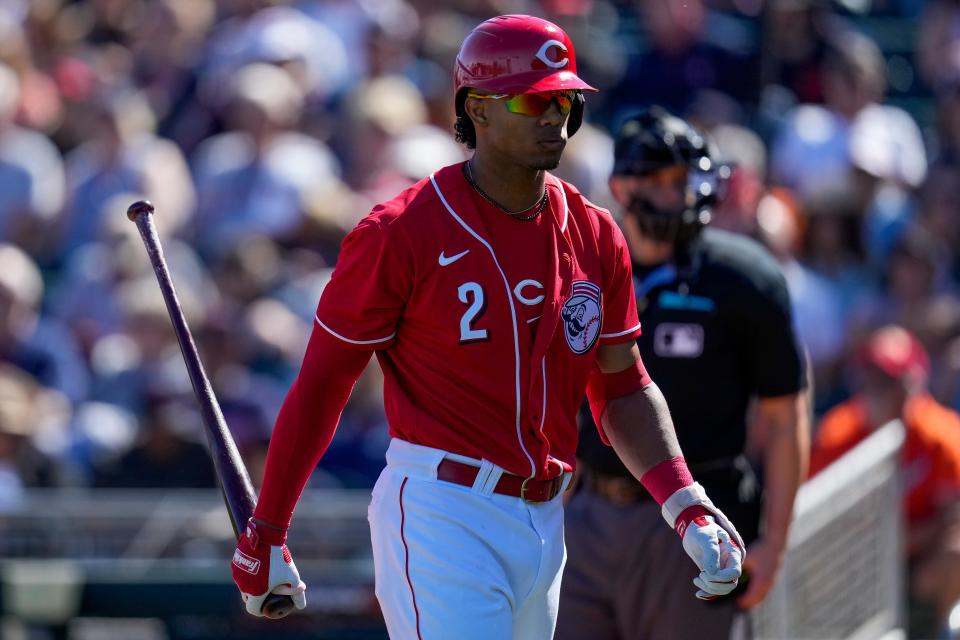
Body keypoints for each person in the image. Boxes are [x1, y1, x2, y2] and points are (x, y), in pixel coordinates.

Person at [229, 16, 744, 638]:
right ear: (479, 110)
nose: (556, 114)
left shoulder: (594, 232)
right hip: (444, 510)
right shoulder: (400, 231)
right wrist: (269, 530)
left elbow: (622, 386)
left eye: (566, 99)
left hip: (547, 518)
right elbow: (321, 386)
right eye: (535, 99)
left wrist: (684, 501)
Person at [558, 107, 809, 640]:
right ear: (623, 187)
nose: (681, 193)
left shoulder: (743, 277)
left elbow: (786, 417)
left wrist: (775, 540)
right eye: (664, 181)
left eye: (686, 178)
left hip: (701, 515)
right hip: (589, 512)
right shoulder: (581, 265)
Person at [809, 325, 960, 639]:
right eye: (872, 378)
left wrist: (903, 540)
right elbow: (815, 517)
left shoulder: (940, 435)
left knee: (955, 553)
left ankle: (933, 630)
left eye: (889, 380)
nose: (878, 390)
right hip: (855, 562)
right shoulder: (838, 433)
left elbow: (952, 516)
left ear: (913, 383)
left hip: (916, 563)